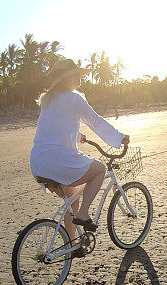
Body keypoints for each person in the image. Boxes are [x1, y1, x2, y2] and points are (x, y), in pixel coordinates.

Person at [29, 59, 129, 249]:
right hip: (59, 161)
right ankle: (84, 214)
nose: (80, 79)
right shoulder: (74, 98)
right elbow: (96, 123)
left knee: (71, 199)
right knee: (99, 169)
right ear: (68, 78)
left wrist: (77, 136)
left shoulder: (48, 100)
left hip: (38, 161)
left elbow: (55, 129)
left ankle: (70, 248)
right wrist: (119, 138)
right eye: (77, 75)